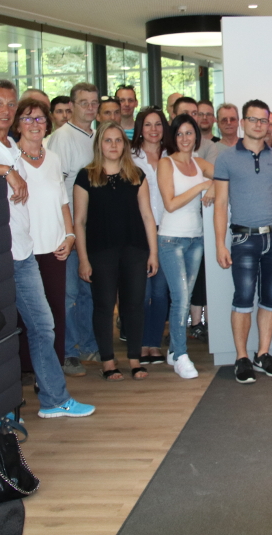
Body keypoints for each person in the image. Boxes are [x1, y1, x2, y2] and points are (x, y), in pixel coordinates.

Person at [0, 78, 95, 419]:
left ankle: (53, 400)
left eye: (10, 104)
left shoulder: (12, 146)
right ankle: (1, 408)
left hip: (23, 252)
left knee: (43, 326)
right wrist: (7, 172)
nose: (5, 110)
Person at [213, 99, 272, 384]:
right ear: (243, 122)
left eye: (264, 120)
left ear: (269, 124)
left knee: (271, 299)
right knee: (243, 299)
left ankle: (263, 354)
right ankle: (242, 358)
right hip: (244, 238)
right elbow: (221, 204)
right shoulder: (226, 159)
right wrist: (220, 244)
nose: (259, 125)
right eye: (253, 119)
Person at [74, 121, 160, 381]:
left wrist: (153, 253)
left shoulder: (137, 175)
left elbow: (148, 216)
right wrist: (83, 259)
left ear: (125, 144)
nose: (113, 145)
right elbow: (79, 221)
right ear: (99, 144)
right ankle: (108, 362)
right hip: (100, 251)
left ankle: (134, 359)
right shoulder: (86, 176)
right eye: (108, 140)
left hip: (135, 249)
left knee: (134, 306)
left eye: (118, 140)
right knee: (103, 306)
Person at [11, 98, 76, 377]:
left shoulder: (53, 158)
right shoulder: (8, 159)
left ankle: (51, 371)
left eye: (39, 118)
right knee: (27, 317)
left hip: (54, 247)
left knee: (56, 312)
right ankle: (27, 370)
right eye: (27, 118)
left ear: (47, 124)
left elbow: (63, 201)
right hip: (23, 251)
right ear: (17, 125)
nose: (34, 124)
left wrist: (70, 235)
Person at [46, 82, 101, 369]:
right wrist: (68, 230)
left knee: (88, 290)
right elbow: (57, 188)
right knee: (68, 293)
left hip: (94, 227)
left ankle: (89, 346)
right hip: (69, 227)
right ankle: (68, 351)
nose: (90, 108)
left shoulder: (99, 136)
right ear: (72, 105)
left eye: (94, 102)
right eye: (84, 103)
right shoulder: (62, 138)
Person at [157, 113, 215, 379]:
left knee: (186, 297)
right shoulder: (166, 163)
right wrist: (203, 185)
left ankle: (173, 349)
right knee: (181, 299)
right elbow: (170, 203)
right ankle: (181, 355)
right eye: (179, 133)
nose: (184, 138)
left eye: (189, 133)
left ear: (196, 136)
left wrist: (213, 185)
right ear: (173, 137)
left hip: (196, 239)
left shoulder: (200, 162)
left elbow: (226, 176)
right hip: (171, 239)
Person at [131, 107, 170, 366]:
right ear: (140, 128)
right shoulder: (130, 157)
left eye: (158, 124)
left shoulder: (173, 155)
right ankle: (139, 343)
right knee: (141, 292)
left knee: (161, 292)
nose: (153, 130)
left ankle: (154, 343)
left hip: (168, 230)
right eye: (148, 124)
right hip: (139, 230)